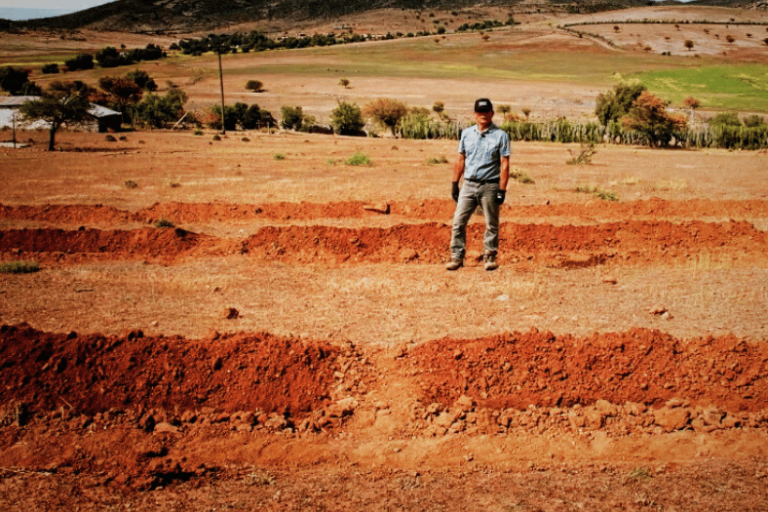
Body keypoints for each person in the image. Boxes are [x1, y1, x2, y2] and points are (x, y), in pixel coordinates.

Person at [447, 98, 510, 271]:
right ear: (475, 114)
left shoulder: (501, 136)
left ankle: (489, 257)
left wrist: (501, 190)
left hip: (490, 186)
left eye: (486, 112)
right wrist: (454, 183)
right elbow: (460, 159)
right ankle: (456, 257)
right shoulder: (466, 134)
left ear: (492, 113)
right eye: (480, 112)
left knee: (491, 223)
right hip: (469, 185)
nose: (483, 115)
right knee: (458, 222)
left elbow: (504, 164)